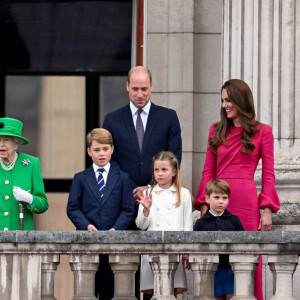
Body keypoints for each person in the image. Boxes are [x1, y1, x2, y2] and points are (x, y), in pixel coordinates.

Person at [194, 79, 281, 300]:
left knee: (248, 259)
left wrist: (268, 209)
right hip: (218, 201)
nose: (224, 105)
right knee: (216, 260)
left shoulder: (264, 131)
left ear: (241, 100)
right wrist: (205, 204)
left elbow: (269, 173)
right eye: (223, 100)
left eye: (229, 100)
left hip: (247, 203)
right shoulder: (216, 130)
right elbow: (208, 171)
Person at [102, 66, 182, 220]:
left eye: (144, 89)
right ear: (127, 86)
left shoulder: (169, 117)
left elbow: (175, 158)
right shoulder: (112, 120)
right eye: (135, 89)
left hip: (160, 200)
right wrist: (131, 188)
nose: (140, 94)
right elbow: (109, 160)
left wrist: (150, 187)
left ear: (152, 86)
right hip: (122, 203)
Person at [67, 128, 135, 300]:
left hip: (114, 245)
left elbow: (128, 209)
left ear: (112, 149)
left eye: (105, 149)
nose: (101, 154)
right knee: (85, 292)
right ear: (89, 151)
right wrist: (85, 225)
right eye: (96, 150)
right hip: (86, 243)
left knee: (110, 290)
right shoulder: (80, 178)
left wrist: (116, 229)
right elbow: (72, 208)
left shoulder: (123, 178)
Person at [135, 151, 192, 296]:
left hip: (175, 250)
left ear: (174, 172)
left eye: (164, 170)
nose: (159, 173)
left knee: (171, 291)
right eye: (156, 170)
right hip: (152, 251)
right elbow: (140, 225)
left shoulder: (183, 194)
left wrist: (186, 250)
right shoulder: (148, 193)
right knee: (153, 291)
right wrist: (146, 210)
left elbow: (187, 225)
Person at [194, 179, 244, 300]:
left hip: (230, 269)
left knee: (231, 296)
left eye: (224, 198)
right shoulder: (201, 223)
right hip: (211, 270)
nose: (220, 201)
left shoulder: (234, 220)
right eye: (216, 197)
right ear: (207, 199)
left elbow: (243, 243)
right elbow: (195, 246)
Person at [0, 117, 48, 231]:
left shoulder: (31, 164)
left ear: (16, 141)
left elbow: (43, 205)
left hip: (21, 240)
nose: (1, 144)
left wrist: (30, 199)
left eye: (6, 139)